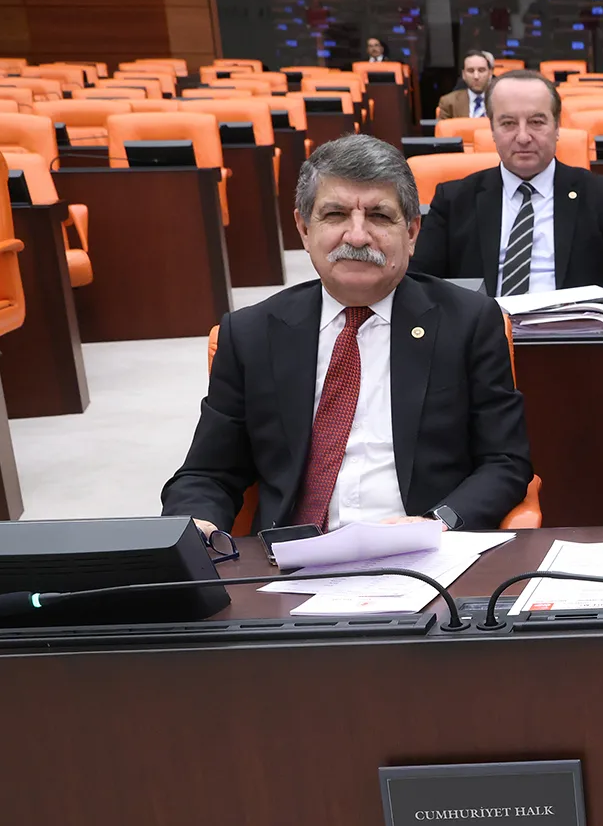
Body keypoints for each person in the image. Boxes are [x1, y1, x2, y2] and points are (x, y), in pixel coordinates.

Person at [161, 134, 531, 535]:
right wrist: (197, 523)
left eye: (379, 216)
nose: (357, 237)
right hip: (288, 556)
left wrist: (436, 524)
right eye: (335, 215)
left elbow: (505, 462)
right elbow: (208, 473)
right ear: (304, 229)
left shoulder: (469, 323)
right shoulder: (250, 334)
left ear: (411, 232)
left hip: (422, 549)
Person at [411, 69, 603, 318]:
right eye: (508, 123)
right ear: (492, 130)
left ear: (557, 126)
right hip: (482, 337)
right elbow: (419, 285)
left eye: (536, 122)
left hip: (578, 336)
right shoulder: (454, 200)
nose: (523, 137)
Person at [434, 49, 494, 121]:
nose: (476, 76)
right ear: (463, 74)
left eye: (481, 70)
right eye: (470, 71)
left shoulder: (502, 100)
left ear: (490, 73)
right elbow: (443, 128)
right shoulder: (449, 102)